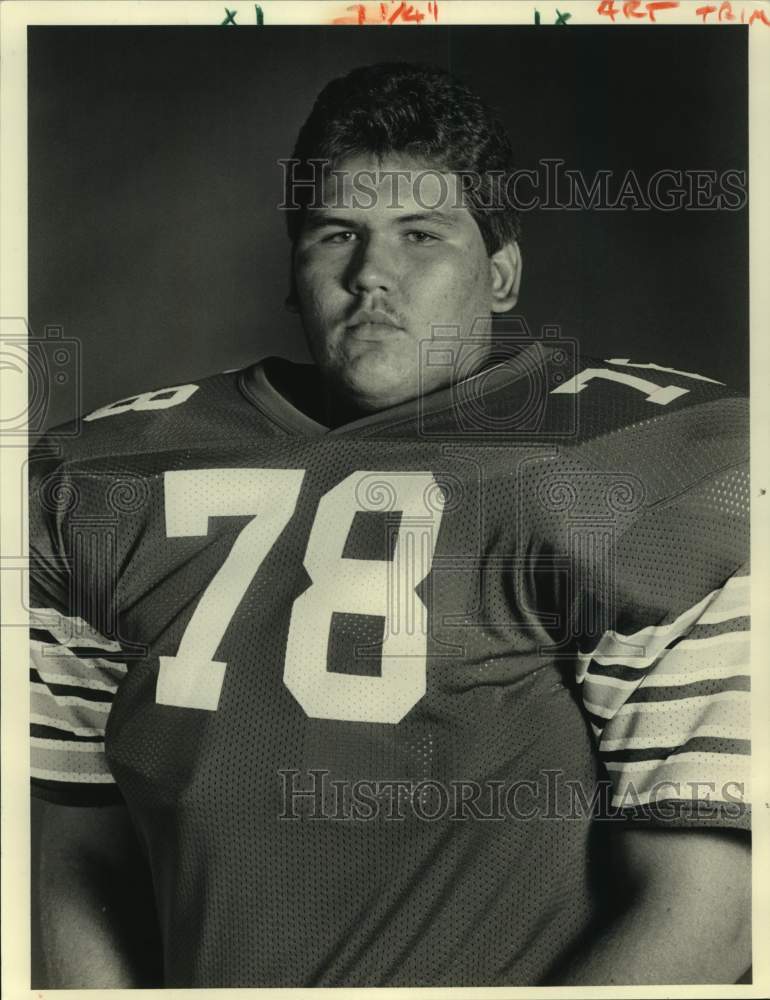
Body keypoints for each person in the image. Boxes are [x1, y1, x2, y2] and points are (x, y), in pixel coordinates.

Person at [30, 62, 750, 988]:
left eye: (421, 234)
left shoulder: (645, 466)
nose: (373, 274)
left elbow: (715, 908)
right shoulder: (104, 479)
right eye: (338, 234)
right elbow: (73, 855)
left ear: (500, 273)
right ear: (294, 273)